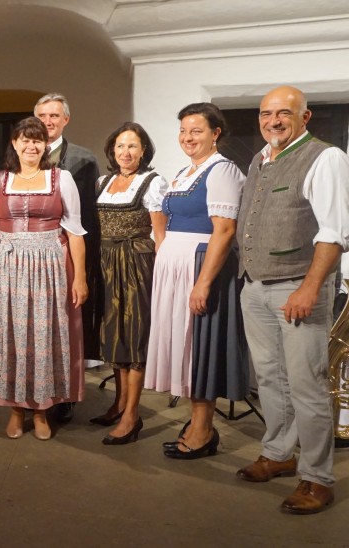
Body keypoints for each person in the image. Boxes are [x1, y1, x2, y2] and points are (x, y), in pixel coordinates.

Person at [235, 86, 349, 514]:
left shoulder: (325, 157)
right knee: (269, 377)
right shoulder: (260, 158)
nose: (274, 121)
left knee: (306, 384)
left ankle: (317, 478)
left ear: (305, 116)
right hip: (254, 285)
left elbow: (335, 231)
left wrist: (310, 286)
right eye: (266, 114)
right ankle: (278, 453)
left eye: (284, 113)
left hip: (298, 287)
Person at [0, 117, 87, 440]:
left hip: (50, 266)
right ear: (15, 143)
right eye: (25, 139)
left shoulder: (61, 179)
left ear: (45, 145)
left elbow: (75, 233)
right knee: (10, 336)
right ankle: (15, 409)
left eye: (37, 140)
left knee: (43, 336)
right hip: (7, 268)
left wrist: (80, 278)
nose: (31, 146)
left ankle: (41, 410)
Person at [143, 103, 248, 459]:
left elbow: (225, 230)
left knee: (199, 349)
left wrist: (202, 283)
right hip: (177, 267)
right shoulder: (186, 172)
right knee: (185, 350)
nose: (188, 137)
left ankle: (203, 430)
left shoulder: (222, 171)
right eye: (184, 131)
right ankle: (196, 423)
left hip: (200, 265)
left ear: (215, 133)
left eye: (196, 131)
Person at [89, 123, 168, 444]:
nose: (126, 152)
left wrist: (163, 277)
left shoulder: (153, 182)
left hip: (136, 263)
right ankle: (119, 403)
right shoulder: (102, 182)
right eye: (120, 146)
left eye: (133, 146)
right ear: (112, 150)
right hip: (106, 264)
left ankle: (132, 415)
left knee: (134, 336)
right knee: (114, 335)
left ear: (143, 151)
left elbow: (160, 235)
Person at [35, 93, 102, 422]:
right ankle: (35, 390)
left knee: (66, 327)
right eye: (42, 116)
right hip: (32, 257)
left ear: (66, 120)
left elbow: (88, 216)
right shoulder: (23, 155)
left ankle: (64, 394)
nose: (48, 121)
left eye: (54, 115)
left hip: (67, 253)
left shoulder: (83, 159)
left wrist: (83, 265)